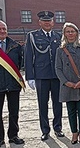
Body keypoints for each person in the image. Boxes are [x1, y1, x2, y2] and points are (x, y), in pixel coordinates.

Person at [24, 11, 64, 141]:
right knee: (43, 104)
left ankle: (58, 128)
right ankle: (45, 130)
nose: (47, 23)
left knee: (58, 104)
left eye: (49, 21)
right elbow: (28, 57)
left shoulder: (59, 36)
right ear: (40, 22)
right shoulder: (32, 36)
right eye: (44, 21)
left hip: (57, 76)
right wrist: (30, 76)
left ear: (53, 22)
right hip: (41, 76)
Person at [55, 23, 80, 145]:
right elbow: (58, 68)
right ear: (64, 34)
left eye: (72, 31)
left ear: (77, 33)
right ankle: (74, 132)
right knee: (71, 110)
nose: (70, 34)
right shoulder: (60, 50)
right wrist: (66, 82)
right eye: (68, 32)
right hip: (68, 85)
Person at [0, 20, 25, 148]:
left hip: (13, 84)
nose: (2, 31)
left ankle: (13, 135)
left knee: (14, 112)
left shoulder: (15, 46)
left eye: (4, 29)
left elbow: (20, 64)